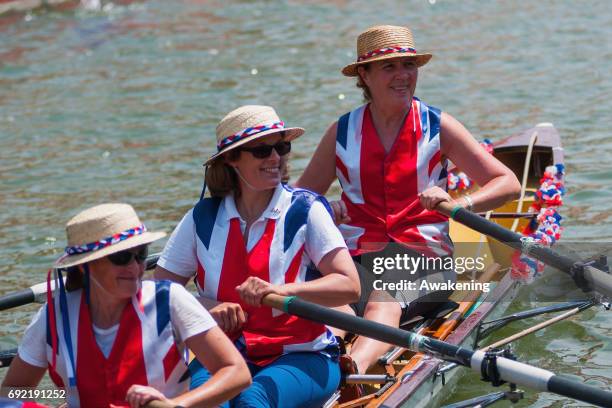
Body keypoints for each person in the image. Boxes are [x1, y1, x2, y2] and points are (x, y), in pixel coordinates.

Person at [296, 25, 521, 375]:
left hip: (425, 258)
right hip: (358, 255)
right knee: (333, 301)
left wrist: (460, 203)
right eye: (389, 67)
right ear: (364, 76)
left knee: (382, 299)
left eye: (409, 65)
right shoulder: (340, 132)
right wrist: (324, 209)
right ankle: (322, 359)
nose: (403, 76)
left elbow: (507, 182)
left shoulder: (437, 125)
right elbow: (299, 204)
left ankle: (354, 369)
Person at [154, 105, 360, 407]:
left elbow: (350, 285)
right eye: (262, 150)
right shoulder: (202, 219)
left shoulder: (305, 210)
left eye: (281, 147)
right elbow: (160, 295)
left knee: (253, 400)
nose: (275, 157)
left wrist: (282, 291)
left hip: (303, 354)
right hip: (225, 351)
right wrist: (207, 307)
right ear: (231, 160)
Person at [1, 203, 251, 407]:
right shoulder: (54, 317)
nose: (135, 268)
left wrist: (177, 405)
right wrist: (61, 400)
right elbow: (11, 393)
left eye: (140, 254)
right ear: (85, 265)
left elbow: (236, 371)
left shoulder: (170, 300)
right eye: (121, 257)